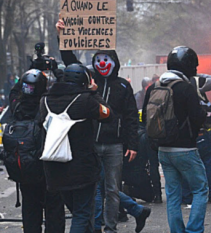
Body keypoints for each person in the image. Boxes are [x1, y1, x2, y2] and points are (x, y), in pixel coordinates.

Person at [56, 19, 140, 233]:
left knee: (112, 190)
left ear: (113, 61)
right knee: (92, 189)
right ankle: (94, 229)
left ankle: (110, 228)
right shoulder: (88, 80)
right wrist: (62, 36)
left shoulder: (123, 85)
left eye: (106, 59)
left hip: (114, 145)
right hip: (90, 144)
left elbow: (131, 116)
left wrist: (132, 144)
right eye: (98, 59)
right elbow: (69, 61)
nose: (102, 63)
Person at [142, 46, 208, 233]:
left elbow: (146, 118)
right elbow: (197, 116)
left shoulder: (153, 88)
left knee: (172, 194)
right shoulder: (186, 88)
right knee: (200, 189)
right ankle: (194, 230)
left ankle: (177, 230)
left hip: (163, 150)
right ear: (188, 66)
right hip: (185, 149)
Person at [40, 63, 112, 233]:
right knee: (82, 213)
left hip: (54, 167)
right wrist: (94, 92)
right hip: (82, 167)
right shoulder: (85, 100)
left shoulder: (45, 100)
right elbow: (108, 114)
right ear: (85, 81)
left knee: (77, 210)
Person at [6, 69, 65, 233]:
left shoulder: (16, 106)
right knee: (54, 212)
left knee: (30, 212)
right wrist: (56, 72)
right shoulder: (49, 104)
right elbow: (64, 89)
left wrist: (32, 67)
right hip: (49, 168)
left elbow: (13, 91)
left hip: (26, 168)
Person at [182, 73, 211, 204]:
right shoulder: (196, 85)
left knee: (186, 167)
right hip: (201, 133)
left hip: (185, 136)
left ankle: (187, 196)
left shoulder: (176, 86)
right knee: (209, 162)